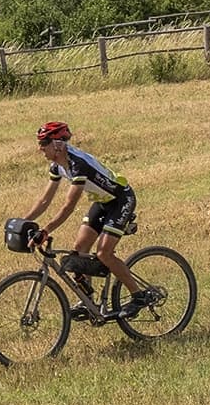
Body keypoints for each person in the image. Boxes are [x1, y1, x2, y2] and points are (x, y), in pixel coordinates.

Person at [22, 120, 162, 318]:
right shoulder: (58, 166)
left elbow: (68, 206)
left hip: (121, 200)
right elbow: (45, 200)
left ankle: (139, 295)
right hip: (102, 202)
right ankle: (87, 301)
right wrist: (23, 222)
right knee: (79, 250)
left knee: (104, 253)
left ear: (58, 144)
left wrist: (45, 231)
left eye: (44, 143)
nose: (40, 148)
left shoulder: (78, 165)